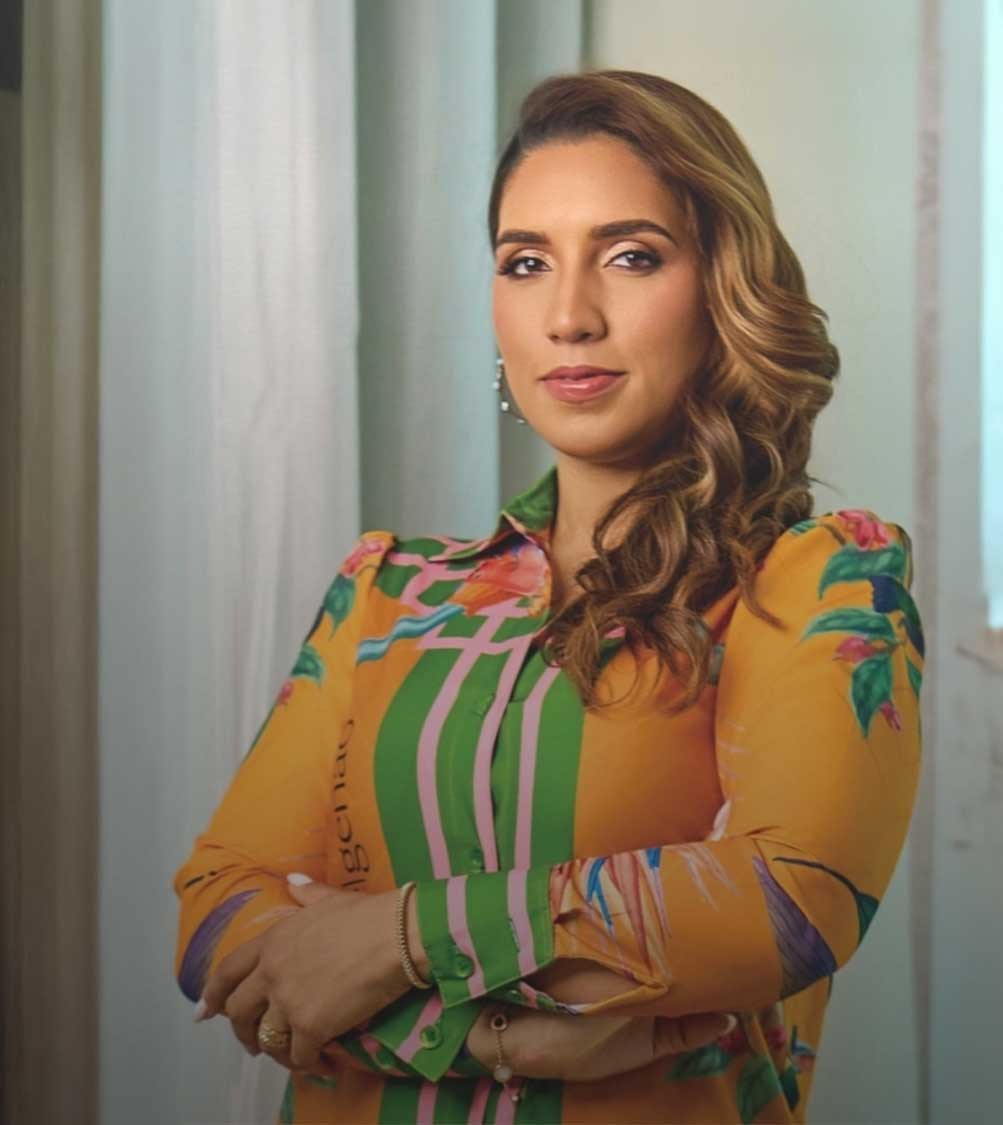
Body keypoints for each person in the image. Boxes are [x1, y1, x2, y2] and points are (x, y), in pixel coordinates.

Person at [173, 68, 924, 1124]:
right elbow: (220, 916)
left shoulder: (819, 583)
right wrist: (492, 1034)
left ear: (723, 287)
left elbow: (783, 904)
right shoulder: (386, 593)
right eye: (526, 263)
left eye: (630, 256)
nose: (568, 315)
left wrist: (388, 939)